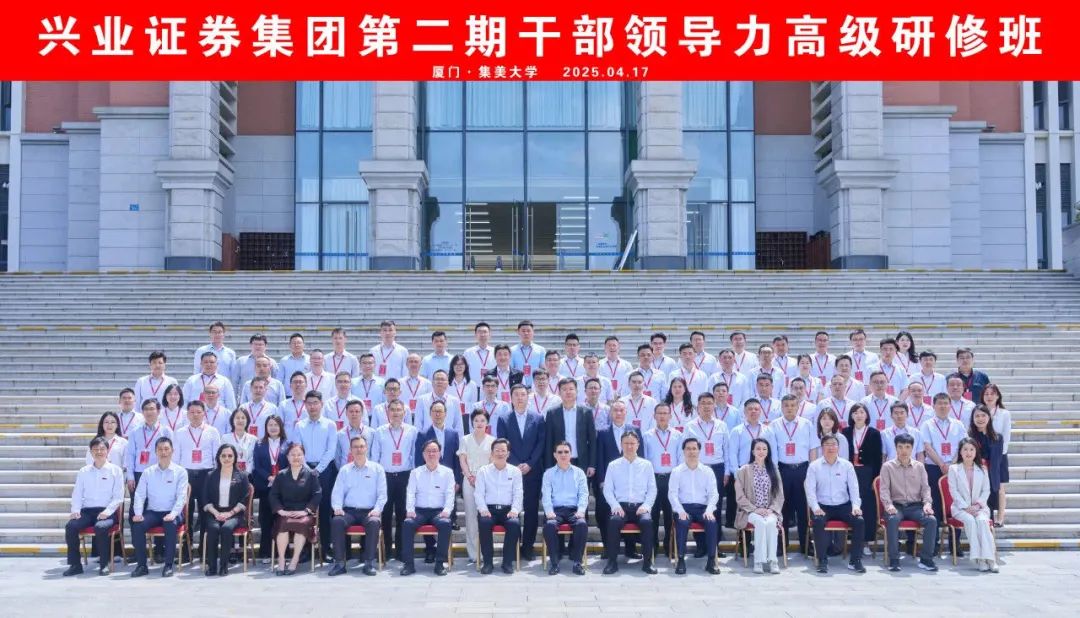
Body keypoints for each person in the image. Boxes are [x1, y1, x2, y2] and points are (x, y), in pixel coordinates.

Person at [804, 434, 866, 574]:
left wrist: (856, 507)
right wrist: (815, 508)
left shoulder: (847, 465)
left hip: (843, 505)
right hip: (823, 506)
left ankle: (855, 560)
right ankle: (822, 560)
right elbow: (810, 490)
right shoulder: (814, 466)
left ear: (838, 447)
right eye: (827, 445)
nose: (831, 447)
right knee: (818, 521)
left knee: (859, 521)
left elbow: (854, 488)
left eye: (833, 444)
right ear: (822, 448)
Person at [498, 384, 546, 562]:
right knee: (513, 511)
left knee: (532, 511)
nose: (520, 398)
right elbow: (502, 444)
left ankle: (528, 547)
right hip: (511, 471)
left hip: (533, 471)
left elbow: (541, 443)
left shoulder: (538, 418)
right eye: (516, 395)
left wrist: (530, 463)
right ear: (511, 398)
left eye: (523, 394)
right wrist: (516, 464)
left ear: (528, 397)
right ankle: (514, 547)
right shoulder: (504, 419)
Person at [64, 437, 125, 576]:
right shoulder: (84, 471)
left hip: (107, 512)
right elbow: (77, 493)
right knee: (71, 527)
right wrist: (75, 510)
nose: (99, 452)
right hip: (87, 512)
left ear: (107, 451)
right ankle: (75, 565)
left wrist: (107, 511)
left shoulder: (116, 471)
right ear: (91, 452)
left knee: (101, 527)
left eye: (102, 449)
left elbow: (118, 497)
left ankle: (104, 564)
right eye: (95, 449)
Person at [328, 435, 387, 577]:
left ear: (366, 448)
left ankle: (369, 563)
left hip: (369, 511)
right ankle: (339, 563)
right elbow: (337, 492)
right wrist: (337, 507)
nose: (359, 450)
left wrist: (377, 510)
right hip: (349, 511)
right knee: (336, 521)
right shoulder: (345, 470)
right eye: (355, 447)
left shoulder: (377, 469)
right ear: (350, 450)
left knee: (374, 523)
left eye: (361, 446)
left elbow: (382, 494)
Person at [878, 434, 938, 572]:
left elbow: (926, 488)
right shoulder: (887, 467)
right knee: (892, 520)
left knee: (932, 520)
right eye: (900, 447)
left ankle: (926, 559)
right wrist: (888, 505)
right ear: (895, 448)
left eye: (907, 447)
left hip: (915, 506)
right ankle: (894, 560)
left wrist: (927, 504)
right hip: (896, 505)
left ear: (912, 448)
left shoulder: (919, 467)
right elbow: (884, 489)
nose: (904, 450)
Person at [130, 437, 189, 578]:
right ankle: (142, 565)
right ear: (155, 452)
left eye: (166, 449)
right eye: (160, 449)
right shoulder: (148, 472)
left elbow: (182, 497)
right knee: (137, 525)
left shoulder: (180, 472)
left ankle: (168, 565)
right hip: (153, 512)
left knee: (170, 524)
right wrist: (138, 513)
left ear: (172, 451)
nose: (163, 452)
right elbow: (139, 495)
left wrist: (173, 514)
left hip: (173, 512)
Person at [601, 430, 658, 575]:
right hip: (621, 507)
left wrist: (646, 506)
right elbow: (607, 490)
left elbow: (652, 489)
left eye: (632, 443)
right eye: (626, 443)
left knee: (647, 522)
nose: (629, 446)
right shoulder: (613, 465)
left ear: (638, 444)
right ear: (621, 444)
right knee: (613, 521)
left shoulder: (647, 465)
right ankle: (612, 562)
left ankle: (647, 563)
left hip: (640, 507)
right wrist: (615, 505)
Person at [593, 400, 642, 558]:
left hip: (630, 483)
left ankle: (630, 549)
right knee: (603, 514)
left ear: (626, 412)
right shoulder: (602, 432)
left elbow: (641, 457)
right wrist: (601, 481)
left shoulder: (635, 430)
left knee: (629, 513)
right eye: (615, 410)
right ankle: (608, 549)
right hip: (607, 482)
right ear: (610, 413)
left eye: (621, 410)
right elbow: (599, 458)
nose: (618, 413)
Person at [370, 400, 418, 561]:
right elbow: (375, 456)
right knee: (385, 515)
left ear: (404, 413)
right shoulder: (379, 431)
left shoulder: (412, 431)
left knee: (403, 514)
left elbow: (413, 455)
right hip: (385, 476)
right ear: (388, 413)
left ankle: (401, 551)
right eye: (393, 410)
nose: (396, 413)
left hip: (405, 476)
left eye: (399, 410)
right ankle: (385, 552)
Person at [921, 392, 967, 557]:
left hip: (955, 468)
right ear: (933, 406)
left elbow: (963, 446)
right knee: (934, 506)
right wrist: (941, 464)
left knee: (956, 503)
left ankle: (955, 544)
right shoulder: (927, 424)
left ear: (950, 405)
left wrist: (952, 464)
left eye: (946, 403)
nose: (943, 406)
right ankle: (933, 544)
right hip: (934, 467)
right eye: (939, 403)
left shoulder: (958, 424)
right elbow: (927, 447)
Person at [415, 400, 462, 560]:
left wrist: (457, 480)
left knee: (446, 517)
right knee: (427, 514)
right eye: (434, 411)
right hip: (428, 479)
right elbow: (418, 459)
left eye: (440, 411)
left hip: (448, 480)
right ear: (430, 414)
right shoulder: (423, 434)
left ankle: (445, 550)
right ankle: (430, 549)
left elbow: (457, 459)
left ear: (446, 414)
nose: (437, 414)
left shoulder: (453, 434)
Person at [400, 440, 455, 576]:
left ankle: (439, 564)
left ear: (439, 453)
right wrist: (410, 510)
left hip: (438, 511)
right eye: (428, 451)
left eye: (434, 451)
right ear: (423, 454)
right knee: (407, 524)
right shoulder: (415, 472)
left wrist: (447, 510)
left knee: (445, 524)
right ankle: (408, 564)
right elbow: (410, 492)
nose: (431, 454)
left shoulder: (447, 472)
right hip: (419, 511)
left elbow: (450, 494)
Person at [295, 390, 338, 558]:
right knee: (306, 510)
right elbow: (298, 450)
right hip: (304, 470)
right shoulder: (299, 425)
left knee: (326, 510)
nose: (312, 406)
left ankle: (326, 549)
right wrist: (307, 468)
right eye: (309, 403)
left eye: (315, 403)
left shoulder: (330, 425)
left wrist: (318, 469)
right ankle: (305, 550)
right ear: (305, 405)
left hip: (325, 471)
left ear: (321, 404)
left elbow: (331, 450)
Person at [685, 393, 729, 558]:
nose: (706, 406)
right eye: (703, 403)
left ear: (714, 405)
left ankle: (715, 546)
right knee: (699, 505)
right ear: (698, 406)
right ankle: (701, 546)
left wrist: (727, 471)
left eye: (710, 403)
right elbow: (685, 450)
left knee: (715, 507)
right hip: (698, 469)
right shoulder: (690, 426)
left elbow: (727, 449)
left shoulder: (721, 425)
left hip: (717, 468)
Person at [175, 400, 221, 556]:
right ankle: (186, 552)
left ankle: (204, 550)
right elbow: (176, 457)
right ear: (187, 414)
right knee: (186, 514)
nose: (195, 415)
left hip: (206, 475)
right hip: (186, 475)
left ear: (204, 414)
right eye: (192, 412)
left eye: (198, 412)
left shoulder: (212, 431)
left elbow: (217, 457)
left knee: (205, 513)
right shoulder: (180, 432)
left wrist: (215, 477)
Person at [669, 438, 722, 574]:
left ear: (699, 451)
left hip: (703, 508)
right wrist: (680, 510)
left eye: (694, 448)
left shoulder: (707, 471)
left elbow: (714, 494)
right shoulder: (677, 471)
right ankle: (681, 559)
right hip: (684, 508)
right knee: (682, 522)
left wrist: (709, 510)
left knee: (711, 522)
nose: (691, 451)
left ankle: (711, 561)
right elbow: (672, 494)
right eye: (688, 448)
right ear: (683, 451)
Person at [769, 395, 813, 556]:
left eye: (793, 405)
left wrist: (811, 471)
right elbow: (772, 450)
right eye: (786, 405)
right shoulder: (774, 425)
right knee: (782, 510)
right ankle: (782, 544)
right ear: (781, 407)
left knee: (803, 510)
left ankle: (806, 545)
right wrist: (775, 473)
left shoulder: (807, 424)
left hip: (802, 470)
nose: (789, 408)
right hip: (783, 470)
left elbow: (812, 449)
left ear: (798, 407)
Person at [269, 443, 321, 575]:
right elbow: (273, 495)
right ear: (287, 457)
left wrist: (305, 511)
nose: (296, 457)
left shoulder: (311, 474)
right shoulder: (281, 475)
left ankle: (294, 559)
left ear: (304, 457)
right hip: (286, 512)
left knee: (301, 524)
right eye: (293, 454)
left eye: (299, 454)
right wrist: (281, 511)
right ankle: (281, 559)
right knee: (282, 523)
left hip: (305, 513)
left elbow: (317, 495)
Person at [948, 438, 999, 572]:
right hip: (960, 508)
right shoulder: (953, 469)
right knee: (970, 521)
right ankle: (980, 559)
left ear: (976, 452)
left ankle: (991, 559)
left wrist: (977, 506)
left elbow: (986, 490)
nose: (968, 452)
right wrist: (966, 507)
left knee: (982, 521)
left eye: (972, 449)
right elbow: (953, 491)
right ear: (960, 452)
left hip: (979, 508)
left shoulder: (982, 469)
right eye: (965, 449)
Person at [735, 438, 785, 574]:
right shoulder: (744, 470)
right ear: (753, 451)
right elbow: (739, 496)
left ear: (768, 452)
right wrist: (755, 509)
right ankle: (758, 561)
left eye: (764, 449)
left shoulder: (773, 469)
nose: (761, 451)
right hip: (750, 511)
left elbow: (780, 495)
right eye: (758, 449)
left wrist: (771, 509)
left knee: (771, 523)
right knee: (761, 523)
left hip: (770, 511)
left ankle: (773, 561)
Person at [474, 438, 524, 574]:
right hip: (489, 510)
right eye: (497, 450)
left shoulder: (515, 471)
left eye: (503, 450)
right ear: (492, 453)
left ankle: (507, 562)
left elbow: (518, 493)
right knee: (484, 523)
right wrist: (483, 509)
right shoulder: (483, 471)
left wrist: (515, 510)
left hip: (508, 510)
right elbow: (478, 493)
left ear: (508, 453)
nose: (500, 453)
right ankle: (488, 563)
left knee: (514, 524)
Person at [201, 444, 251, 576]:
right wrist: (216, 513)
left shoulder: (242, 476)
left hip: (235, 514)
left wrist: (230, 513)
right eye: (223, 455)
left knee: (226, 528)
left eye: (230, 456)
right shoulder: (210, 475)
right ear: (218, 457)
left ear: (235, 458)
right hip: (214, 512)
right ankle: (212, 566)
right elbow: (205, 498)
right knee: (213, 528)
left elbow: (244, 499)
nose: (227, 458)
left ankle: (224, 566)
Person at [541, 441, 589, 575]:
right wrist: (549, 512)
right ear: (554, 455)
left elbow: (584, 494)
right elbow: (546, 495)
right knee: (550, 525)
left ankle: (577, 563)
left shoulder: (579, 473)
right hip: (556, 511)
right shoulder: (548, 473)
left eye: (566, 452)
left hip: (574, 510)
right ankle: (554, 563)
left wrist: (581, 510)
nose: (563, 455)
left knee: (581, 524)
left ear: (571, 454)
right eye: (560, 452)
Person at [725, 399, 772, 529]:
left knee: (762, 505)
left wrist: (772, 471)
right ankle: (742, 538)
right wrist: (737, 474)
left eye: (756, 409)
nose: (753, 411)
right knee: (743, 507)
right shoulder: (737, 431)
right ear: (744, 412)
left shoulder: (768, 430)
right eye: (750, 409)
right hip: (743, 473)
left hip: (763, 472)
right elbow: (732, 453)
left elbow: (773, 452)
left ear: (760, 411)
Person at [644, 402, 682, 558]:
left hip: (671, 478)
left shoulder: (678, 435)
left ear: (670, 416)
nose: (662, 416)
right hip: (653, 479)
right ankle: (652, 546)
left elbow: (680, 459)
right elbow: (645, 460)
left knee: (670, 515)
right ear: (654, 416)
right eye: (659, 413)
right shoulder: (647, 436)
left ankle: (669, 546)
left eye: (665, 413)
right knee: (652, 515)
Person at [842, 403, 882, 553]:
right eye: (855, 412)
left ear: (866, 415)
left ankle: (865, 542)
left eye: (861, 412)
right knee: (849, 505)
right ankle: (849, 540)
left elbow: (878, 458)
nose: (859, 415)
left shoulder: (874, 433)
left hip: (867, 473)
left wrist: (875, 479)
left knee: (866, 507)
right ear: (851, 416)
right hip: (849, 471)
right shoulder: (845, 432)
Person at [458, 410, 496, 564]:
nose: (479, 423)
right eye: (476, 420)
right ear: (472, 422)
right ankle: (473, 553)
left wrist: (482, 479)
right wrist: (469, 476)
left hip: (487, 481)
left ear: (487, 423)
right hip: (469, 480)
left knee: (486, 516)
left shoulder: (492, 440)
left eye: (482, 420)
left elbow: (493, 461)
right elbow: (462, 460)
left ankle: (486, 551)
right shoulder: (465, 439)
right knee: (471, 517)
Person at [252, 415, 289, 563]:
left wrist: (279, 477)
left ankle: (283, 553)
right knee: (265, 520)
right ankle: (266, 552)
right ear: (266, 428)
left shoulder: (288, 444)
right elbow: (257, 466)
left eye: (276, 425)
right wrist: (269, 477)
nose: (273, 428)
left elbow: (290, 463)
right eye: (270, 425)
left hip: (283, 487)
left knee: (281, 520)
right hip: (265, 486)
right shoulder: (259, 444)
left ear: (281, 427)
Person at [543, 379, 596, 477]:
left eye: (571, 389)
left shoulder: (586, 412)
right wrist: (548, 466)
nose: (568, 392)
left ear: (576, 391)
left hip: (581, 461)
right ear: (559, 393)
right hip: (559, 461)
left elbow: (592, 440)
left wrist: (592, 464)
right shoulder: (552, 413)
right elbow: (549, 441)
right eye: (564, 389)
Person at [969, 405, 1007, 525]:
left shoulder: (998, 437)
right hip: (975, 475)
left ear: (989, 417)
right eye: (977, 416)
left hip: (992, 473)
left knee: (991, 502)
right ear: (973, 419)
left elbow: (998, 459)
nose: (980, 419)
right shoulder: (970, 437)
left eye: (983, 415)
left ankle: (994, 524)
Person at [981, 383, 1011, 526]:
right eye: (986, 394)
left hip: (999, 455)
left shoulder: (1004, 413)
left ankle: (1000, 518)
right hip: (983, 454)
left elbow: (1006, 436)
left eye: (992, 394)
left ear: (998, 396)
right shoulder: (979, 411)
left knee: (999, 487)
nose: (989, 397)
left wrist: (999, 456)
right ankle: (987, 515)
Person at [335, 400, 373, 470]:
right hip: (347, 472)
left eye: (357, 411)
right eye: (351, 411)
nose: (354, 414)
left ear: (362, 413)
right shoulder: (340, 435)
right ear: (346, 413)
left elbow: (373, 455)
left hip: (367, 471)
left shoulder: (371, 433)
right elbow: (338, 458)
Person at [510, 320, 546, 389]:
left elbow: (543, 370)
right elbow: (511, 370)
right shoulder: (512, 351)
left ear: (533, 332)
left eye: (528, 331)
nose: (526, 333)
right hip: (518, 388)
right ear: (518, 332)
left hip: (536, 388)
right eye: (523, 331)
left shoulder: (541, 350)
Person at [222, 408, 257, 474]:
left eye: (243, 418)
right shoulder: (225, 438)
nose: (240, 420)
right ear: (232, 420)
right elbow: (222, 457)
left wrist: (246, 473)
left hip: (248, 475)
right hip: (229, 474)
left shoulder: (253, 439)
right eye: (237, 418)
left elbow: (253, 459)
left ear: (247, 421)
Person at [449, 354, 480, 421]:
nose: (459, 367)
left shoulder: (472, 384)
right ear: (452, 366)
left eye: (461, 364)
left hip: (467, 417)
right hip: (451, 416)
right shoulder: (448, 384)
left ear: (465, 366)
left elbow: (473, 404)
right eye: (456, 364)